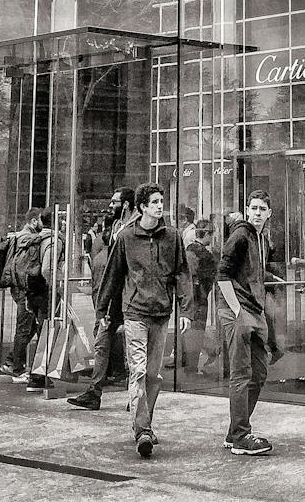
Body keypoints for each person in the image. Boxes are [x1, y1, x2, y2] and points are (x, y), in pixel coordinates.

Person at [100, 182, 189, 458]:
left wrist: (185, 310)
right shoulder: (126, 238)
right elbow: (113, 276)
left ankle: (145, 422)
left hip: (161, 314)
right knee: (137, 372)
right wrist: (104, 310)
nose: (159, 206)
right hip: (135, 313)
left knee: (153, 374)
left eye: (161, 200)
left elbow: (182, 275)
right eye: (154, 202)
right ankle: (142, 430)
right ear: (141, 208)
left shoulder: (172, 237)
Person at [69, 186, 136, 410]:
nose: (110, 205)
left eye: (115, 202)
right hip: (110, 295)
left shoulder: (134, 226)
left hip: (126, 295)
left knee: (131, 345)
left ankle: (133, 394)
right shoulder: (116, 226)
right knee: (102, 341)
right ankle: (94, 391)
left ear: (125, 204)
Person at [217, 190, 274, 455]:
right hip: (237, 310)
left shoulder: (261, 238)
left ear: (269, 213)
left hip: (253, 309)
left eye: (262, 208)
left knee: (259, 372)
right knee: (241, 374)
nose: (258, 213)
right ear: (247, 209)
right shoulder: (241, 234)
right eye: (254, 208)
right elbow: (222, 274)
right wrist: (238, 310)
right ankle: (241, 435)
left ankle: (235, 431)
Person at [0, 207, 55, 389]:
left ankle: (12, 360)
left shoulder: (17, 237)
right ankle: (18, 369)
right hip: (24, 289)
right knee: (24, 328)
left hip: (18, 287)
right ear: (34, 221)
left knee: (28, 328)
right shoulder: (27, 239)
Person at [182, 218, 217, 373]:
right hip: (198, 298)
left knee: (194, 330)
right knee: (196, 330)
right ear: (207, 234)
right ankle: (192, 365)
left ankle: (194, 362)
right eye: (211, 234)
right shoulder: (200, 253)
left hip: (194, 297)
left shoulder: (190, 250)